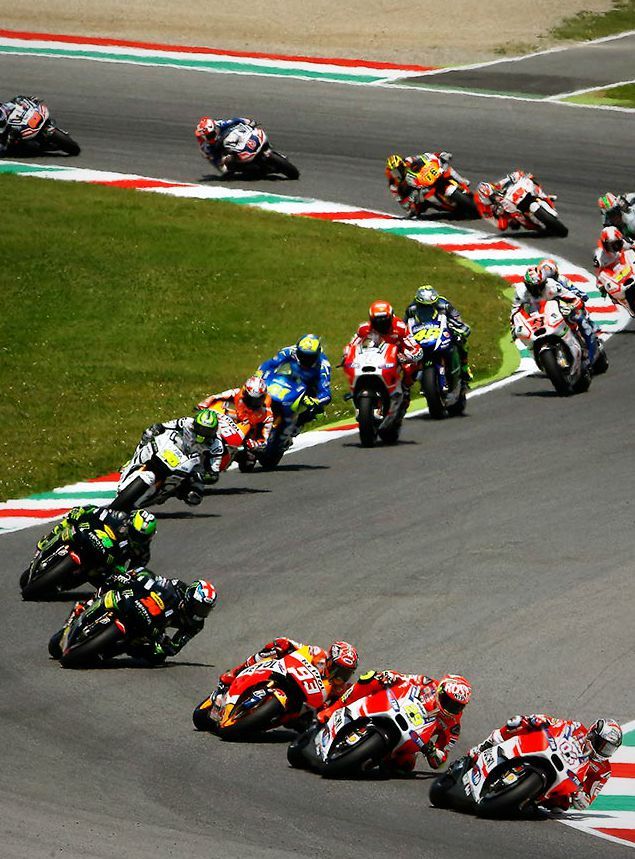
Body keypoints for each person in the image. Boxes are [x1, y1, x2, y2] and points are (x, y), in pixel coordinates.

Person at [318, 670, 472, 773]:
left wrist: (435, 753)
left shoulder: (453, 726)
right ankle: (332, 710)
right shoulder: (427, 683)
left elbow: (441, 758)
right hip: (396, 707)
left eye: (457, 706)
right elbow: (402, 678)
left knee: (407, 765)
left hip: (414, 737)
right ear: (440, 690)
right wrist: (389, 676)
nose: (451, 707)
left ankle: (371, 758)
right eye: (448, 701)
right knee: (369, 677)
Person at [52, 569, 218, 662]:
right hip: (141, 602)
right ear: (189, 598)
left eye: (205, 609)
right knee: (114, 581)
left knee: (157, 657)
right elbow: (153, 579)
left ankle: (111, 650)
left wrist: (164, 643)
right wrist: (133, 577)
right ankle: (87, 605)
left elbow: (175, 647)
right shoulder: (176, 587)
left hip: (155, 626)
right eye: (199, 606)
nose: (200, 612)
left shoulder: (196, 624)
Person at [468, 714, 623, 811]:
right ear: (593, 734)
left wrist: (581, 798)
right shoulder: (577, 728)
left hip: (567, 782)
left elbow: (588, 799)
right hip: (551, 753)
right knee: (518, 723)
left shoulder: (604, 770)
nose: (604, 751)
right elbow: (555, 724)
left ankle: (530, 798)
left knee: (561, 807)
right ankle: (487, 745)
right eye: (602, 745)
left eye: (609, 749)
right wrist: (541, 721)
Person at [218, 637, 359, 705]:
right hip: (289, 677)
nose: (340, 676)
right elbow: (295, 646)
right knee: (279, 644)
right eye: (338, 669)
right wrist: (286, 646)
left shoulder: (340, 688)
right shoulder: (318, 654)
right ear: (330, 660)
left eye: (345, 673)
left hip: (304, 708)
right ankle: (237, 671)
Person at [36, 505, 157, 584]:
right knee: (69, 521)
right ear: (129, 524)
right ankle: (48, 539)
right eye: (136, 534)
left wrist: (122, 576)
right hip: (91, 536)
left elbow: (133, 574)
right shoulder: (118, 518)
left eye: (142, 537)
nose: (138, 538)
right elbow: (96, 511)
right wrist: (81, 512)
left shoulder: (142, 552)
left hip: (106, 563)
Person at [343, 300, 423, 412]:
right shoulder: (364, 328)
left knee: (412, 366)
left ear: (391, 317)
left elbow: (414, 347)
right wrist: (346, 355)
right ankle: (357, 391)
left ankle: (405, 388)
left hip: (397, 358)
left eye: (384, 320)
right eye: (377, 321)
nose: (381, 324)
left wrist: (409, 357)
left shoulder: (400, 327)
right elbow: (352, 345)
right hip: (374, 358)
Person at [512, 266, 600, 365]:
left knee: (579, 319)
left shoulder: (552, 286)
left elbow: (572, 298)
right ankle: (541, 360)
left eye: (538, 286)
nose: (536, 290)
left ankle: (591, 351)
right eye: (532, 287)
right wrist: (513, 326)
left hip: (559, 311)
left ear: (544, 282)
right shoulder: (520, 292)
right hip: (538, 318)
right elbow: (515, 312)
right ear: (526, 285)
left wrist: (571, 307)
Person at [139, 409, 224, 504]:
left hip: (194, 466)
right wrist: (156, 428)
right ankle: (133, 464)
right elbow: (165, 425)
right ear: (194, 423)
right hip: (174, 449)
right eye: (200, 428)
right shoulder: (186, 422)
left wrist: (199, 476)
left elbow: (214, 473)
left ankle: (170, 492)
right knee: (148, 443)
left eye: (208, 431)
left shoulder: (217, 445)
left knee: (194, 497)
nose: (202, 433)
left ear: (215, 430)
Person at [196, 376, 273, 468]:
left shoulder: (267, 414)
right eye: (250, 398)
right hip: (227, 421)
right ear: (245, 393)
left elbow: (264, 439)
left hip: (245, 439)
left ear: (263, 397)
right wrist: (203, 405)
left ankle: (225, 459)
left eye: (257, 400)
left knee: (248, 463)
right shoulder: (235, 393)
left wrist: (255, 444)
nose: (253, 403)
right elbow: (216, 397)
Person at [258, 334, 332, 427]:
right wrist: (259, 375)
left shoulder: (323, 365)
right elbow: (271, 363)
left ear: (317, 355)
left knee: (317, 413)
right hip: (292, 379)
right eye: (302, 355)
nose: (305, 360)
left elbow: (326, 393)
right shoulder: (290, 351)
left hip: (310, 387)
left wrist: (316, 401)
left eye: (310, 357)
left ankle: (295, 427)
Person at [404, 286, 472, 386]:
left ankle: (465, 367)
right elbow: (404, 324)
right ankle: (414, 377)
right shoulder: (411, 309)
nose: (426, 308)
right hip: (423, 334)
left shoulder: (444, 305)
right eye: (423, 306)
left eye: (430, 305)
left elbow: (456, 317)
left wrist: (460, 327)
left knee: (460, 339)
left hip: (442, 329)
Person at [385, 151, 468, 216]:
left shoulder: (409, 160)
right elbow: (401, 200)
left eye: (398, 167)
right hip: (414, 193)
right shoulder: (393, 185)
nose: (397, 171)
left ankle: (461, 181)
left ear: (401, 163)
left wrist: (440, 155)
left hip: (424, 177)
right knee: (417, 207)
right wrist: (410, 207)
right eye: (394, 171)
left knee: (446, 170)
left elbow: (425, 157)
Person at [475, 170, 540, 231]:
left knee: (531, 183)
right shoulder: (484, 206)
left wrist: (522, 176)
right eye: (491, 197)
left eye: (493, 195)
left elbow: (515, 175)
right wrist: (501, 215)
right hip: (505, 212)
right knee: (503, 226)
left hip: (513, 197)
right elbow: (490, 219)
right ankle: (534, 225)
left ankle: (545, 198)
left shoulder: (497, 185)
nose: (494, 197)